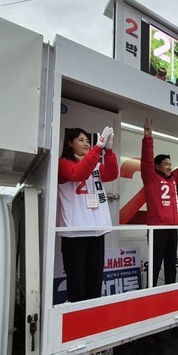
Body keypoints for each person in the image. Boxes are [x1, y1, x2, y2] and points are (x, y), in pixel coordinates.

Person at [58, 126, 118, 302]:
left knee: (95, 279)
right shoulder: (63, 163)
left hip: (96, 230)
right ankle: (78, 320)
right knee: (77, 281)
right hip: (74, 232)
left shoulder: (96, 164)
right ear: (70, 143)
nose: (86, 143)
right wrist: (98, 148)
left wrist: (109, 151)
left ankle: (93, 316)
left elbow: (112, 174)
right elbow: (78, 173)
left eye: (87, 140)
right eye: (81, 140)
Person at [141, 119, 178, 286]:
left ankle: (171, 291)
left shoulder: (173, 179)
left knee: (171, 264)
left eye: (170, 164)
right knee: (155, 264)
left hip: (173, 228)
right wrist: (148, 139)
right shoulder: (150, 178)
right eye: (166, 164)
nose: (170, 166)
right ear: (157, 167)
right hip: (157, 229)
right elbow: (146, 161)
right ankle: (150, 293)